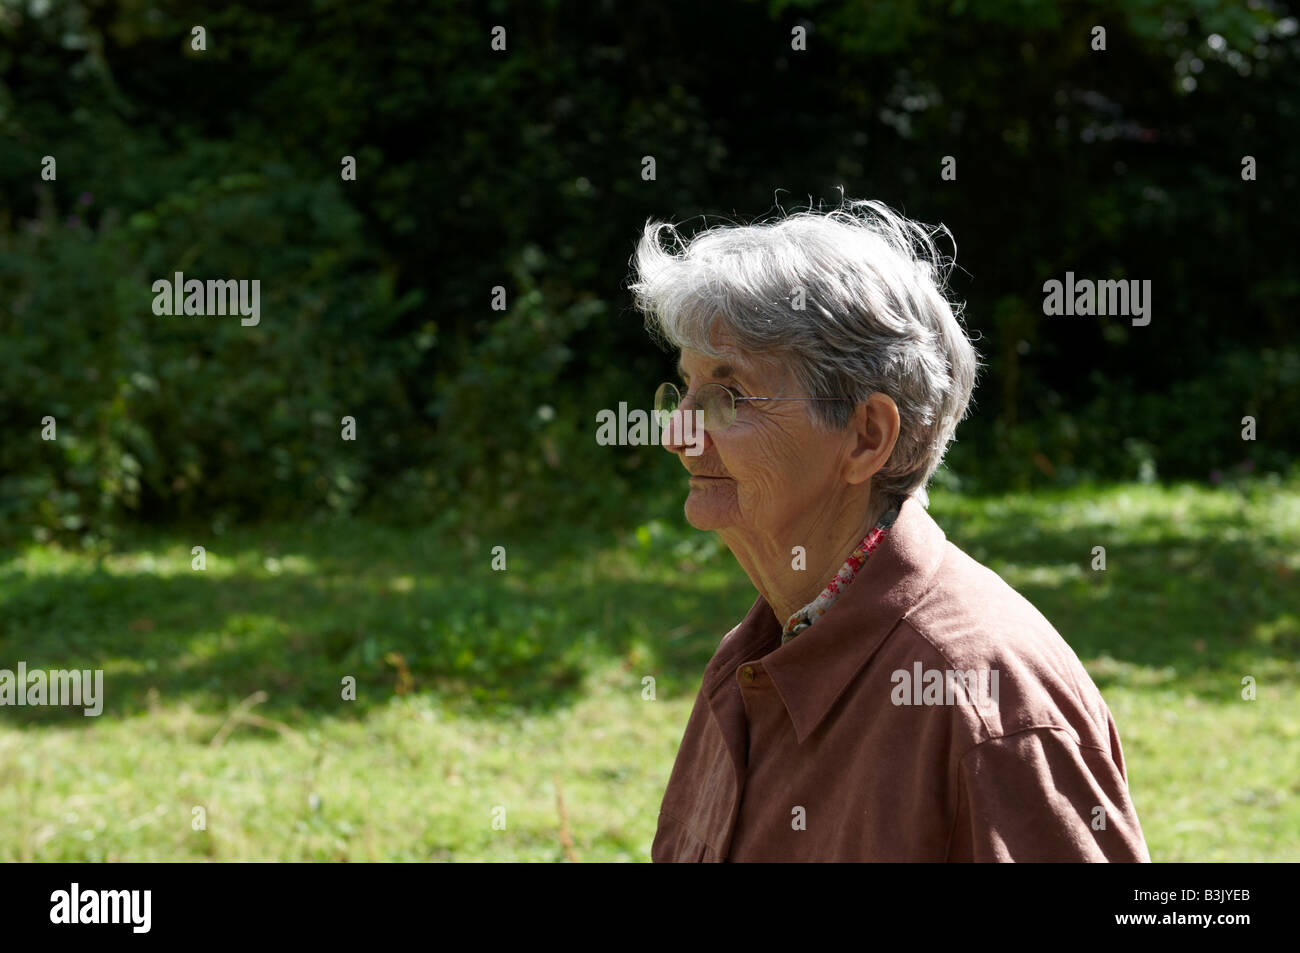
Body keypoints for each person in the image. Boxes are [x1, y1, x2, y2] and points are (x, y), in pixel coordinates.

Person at [627, 198, 1151, 861]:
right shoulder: (751, 657)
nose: (677, 434)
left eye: (727, 397)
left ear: (866, 436)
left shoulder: (985, 699)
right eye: (684, 391)